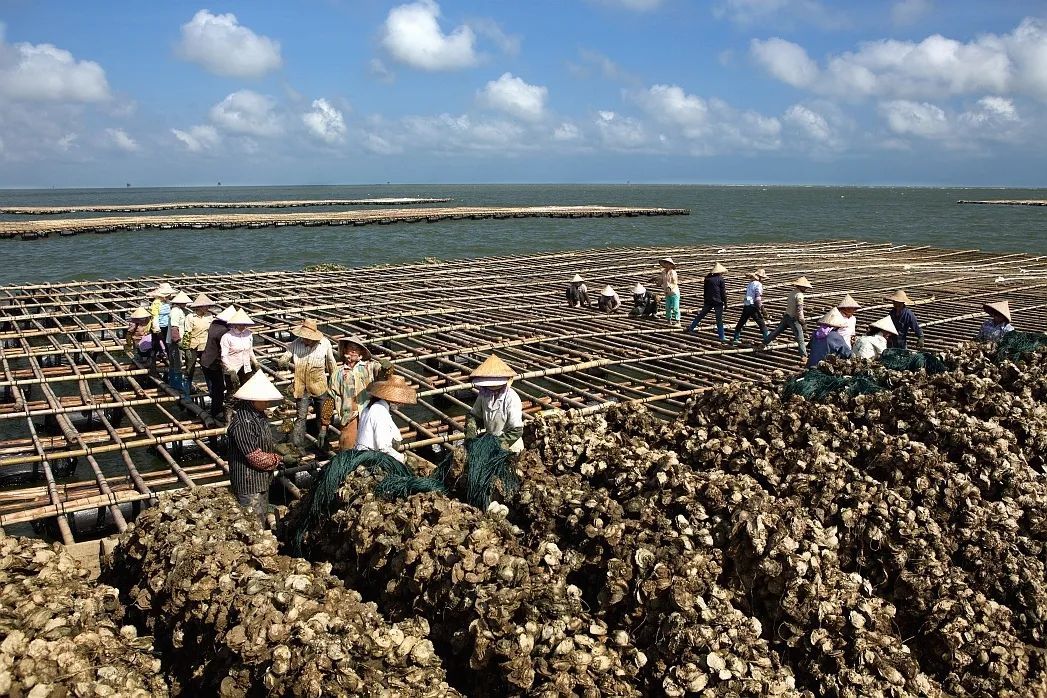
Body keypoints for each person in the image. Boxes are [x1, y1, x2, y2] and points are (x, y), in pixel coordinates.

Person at [226, 371, 296, 525]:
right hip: (248, 482)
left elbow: (261, 441)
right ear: (252, 399)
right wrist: (281, 458)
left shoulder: (258, 415)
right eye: (263, 399)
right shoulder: (243, 423)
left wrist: (277, 447)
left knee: (261, 516)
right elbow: (255, 457)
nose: (267, 403)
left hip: (260, 480)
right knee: (253, 523)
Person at [277, 319, 337, 450]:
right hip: (301, 386)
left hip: (320, 384)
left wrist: (334, 381)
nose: (304, 340)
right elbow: (285, 356)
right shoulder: (295, 344)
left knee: (325, 414)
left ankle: (324, 440)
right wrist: (282, 361)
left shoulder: (325, 343)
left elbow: (331, 363)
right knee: (301, 416)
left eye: (307, 338)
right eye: (303, 337)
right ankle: (298, 446)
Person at [329, 336, 393, 451]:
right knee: (347, 447)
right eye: (350, 348)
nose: (353, 351)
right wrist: (324, 427)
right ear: (345, 351)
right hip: (349, 417)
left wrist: (387, 368)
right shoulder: (337, 374)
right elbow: (330, 398)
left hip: (368, 412)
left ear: (360, 353)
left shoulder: (369, 367)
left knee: (371, 446)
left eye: (356, 349)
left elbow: (384, 375)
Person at [464, 355, 524, 453]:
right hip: (491, 441)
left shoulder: (511, 398)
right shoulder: (484, 394)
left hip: (510, 446)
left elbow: (516, 430)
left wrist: (498, 445)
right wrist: (471, 427)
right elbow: (475, 415)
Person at [356, 375, 417, 463]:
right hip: (370, 458)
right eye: (400, 402)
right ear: (392, 399)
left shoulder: (369, 407)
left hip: (363, 453)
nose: (402, 405)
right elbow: (383, 448)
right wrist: (402, 458)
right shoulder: (379, 411)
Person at [200, 305, 235, 423]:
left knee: (216, 387)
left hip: (206, 360)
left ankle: (216, 407)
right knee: (219, 387)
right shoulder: (224, 331)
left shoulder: (214, 323)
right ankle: (216, 411)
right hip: (212, 363)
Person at [764, 276, 813, 358]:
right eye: (805, 287)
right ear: (801, 286)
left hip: (786, 315)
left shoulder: (792, 293)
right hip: (794, 318)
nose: (806, 288)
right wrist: (803, 322)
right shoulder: (799, 295)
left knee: (776, 331)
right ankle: (803, 356)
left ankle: (764, 343)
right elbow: (799, 310)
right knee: (800, 337)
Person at [687, 263, 729, 340]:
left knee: (701, 315)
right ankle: (722, 336)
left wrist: (705, 300)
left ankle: (691, 327)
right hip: (717, 301)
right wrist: (725, 302)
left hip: (708, 300)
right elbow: (723, 292)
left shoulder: (707, 279)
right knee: (719, 319)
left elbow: (705, 291)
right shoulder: (720, 280)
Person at [183, 294, 216, 392]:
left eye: (207, 306)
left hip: (205, 346)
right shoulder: (190, 317)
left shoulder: (209, 316)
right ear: (199, 307)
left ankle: (211, 390)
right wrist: (186, 348)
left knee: (207, 368)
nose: (207, 308)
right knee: (189, 369)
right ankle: (186, 392)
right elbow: (187, 333)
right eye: (204, 306)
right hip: (193, 346)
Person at [730, 268, 769, 345]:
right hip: (752, 306)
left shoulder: (750, 284)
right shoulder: (758, 285)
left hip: (747, 304)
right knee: (761, 322)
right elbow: (757, 298)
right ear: (760, 277)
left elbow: (748, 296)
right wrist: (762, 309)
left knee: (741, 321)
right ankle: (767, 339)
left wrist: (747, 305)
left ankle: (735, 338)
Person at [165, 291, 191, 394]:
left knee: (175, 361)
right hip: (174, 341)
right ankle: (177, 384)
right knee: (177, 362)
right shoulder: (176, 311)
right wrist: (177, 340)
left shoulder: (180, 310)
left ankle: (174, 382)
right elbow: (174, 327)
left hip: (174, 340)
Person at [148, 283, 175, 365]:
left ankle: (167, 356)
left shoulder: (167, 302)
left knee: (167, 342)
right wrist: (157, 329)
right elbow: (155, 317)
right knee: (155, 343)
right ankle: (153, 360)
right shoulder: (156, 303)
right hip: (159, 326)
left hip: (166, 325)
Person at [657, 257, 681, 327]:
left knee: (675, 307)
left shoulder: (673, 272)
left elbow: (675, 282)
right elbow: (661, 280)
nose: (666, 264)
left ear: (670, 265)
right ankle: (668, 320)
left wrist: (669, 288)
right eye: (665, 263)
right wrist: (658, 283)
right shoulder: (663, 272)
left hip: (674, 292)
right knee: (667, 307)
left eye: (667, 263)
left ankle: (678, 321)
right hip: (667, 292)